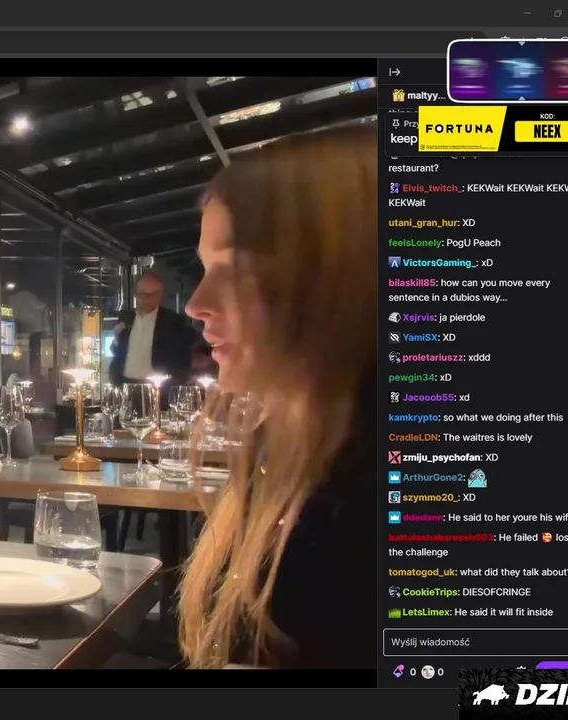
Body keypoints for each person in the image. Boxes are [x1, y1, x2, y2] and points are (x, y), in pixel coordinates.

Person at [179, 124, 376, 669]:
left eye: (236, 267)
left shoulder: (362, 495)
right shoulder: (292, 445)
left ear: (342, 277)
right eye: (205, 268)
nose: (195, 304)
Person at [109, 272, 197, 386]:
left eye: (153, 295)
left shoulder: (173, 321)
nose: (147, 299)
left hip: (157, 384)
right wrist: (116, 339)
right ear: (136, 295)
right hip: (124, 383)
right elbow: (117, 350)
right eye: (143, 294)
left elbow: (182, 358)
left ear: (160, 296)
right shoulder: (126, 317)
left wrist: (176, 381)